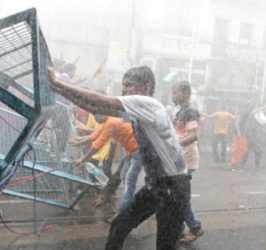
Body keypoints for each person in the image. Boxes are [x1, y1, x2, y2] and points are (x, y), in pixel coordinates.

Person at [48, 65, 190, 250]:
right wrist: (58, 89)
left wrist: (60, 84)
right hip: (156, 185)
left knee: (165, 246)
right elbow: (94, 106)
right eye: (123, 85)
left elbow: (99, 101)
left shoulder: (148, 104)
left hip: (173, 186)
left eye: (129, 85)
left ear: (146, 87)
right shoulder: (137, 110)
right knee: (119, 225)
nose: (124, 90)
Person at [69, 115, 138, 208]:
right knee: (121, 175)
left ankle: (122, 208)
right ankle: (109, 197)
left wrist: (82, 159)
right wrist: (79, 140)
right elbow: (94, 135)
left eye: (96, 117)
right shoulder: (106, 122)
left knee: (127, 178)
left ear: (102, 113)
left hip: (139, 149)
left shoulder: (111, 122)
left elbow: (97, 145)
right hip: (132, 151)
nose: (95, 120)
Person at [171, 81, 204, 244]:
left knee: (181, 197)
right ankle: (180, 227)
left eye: (175, 92)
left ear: (184, 93)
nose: (173, 95)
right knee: (178, 196)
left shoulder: (190, 112)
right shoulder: (180, 112)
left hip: (186, 160)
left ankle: (195, 228)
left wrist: (174, 144)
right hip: (179, 159)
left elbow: (193, 136)